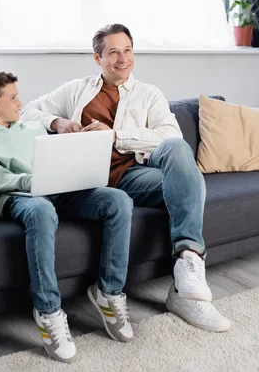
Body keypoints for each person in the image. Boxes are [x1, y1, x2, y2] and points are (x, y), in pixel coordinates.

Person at [21, 23, 231, 333]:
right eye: (114, 52)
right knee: (193, 185)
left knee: (178, 154)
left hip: (132, 176)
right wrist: (58, 122)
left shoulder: (148, 94)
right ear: (97, 58)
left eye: (128, 50)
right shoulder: (77, 89)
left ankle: (189, 261)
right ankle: (183, 287)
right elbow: (26, 112)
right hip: (87, 181)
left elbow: (169, 135)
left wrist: (117, 136)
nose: (123, 59)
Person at [0, 71, 134, 364]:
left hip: (58, 187)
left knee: (117, 199)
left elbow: (57, 155)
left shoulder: (30, 127)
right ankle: (48, 312)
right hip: (21, 197)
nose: (20, 103)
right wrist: (33, 182)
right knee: (43, 211)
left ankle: (109, 292)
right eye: (13, 97)